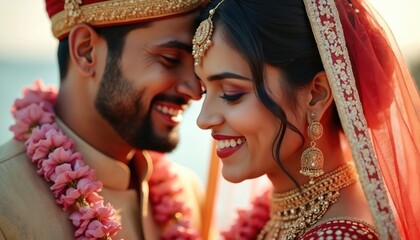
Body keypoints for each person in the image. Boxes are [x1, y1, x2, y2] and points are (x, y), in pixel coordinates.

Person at [193, 0, 420, 239]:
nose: (203, 119)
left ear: (316, 95)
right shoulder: (278, 219)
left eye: (231, 93)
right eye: (205, 90)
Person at [0, 0, 216, 239]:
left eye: (197, 64)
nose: (196, 91)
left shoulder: (188, 192)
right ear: (86, 51)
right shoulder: (6, 198)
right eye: (170, 59)